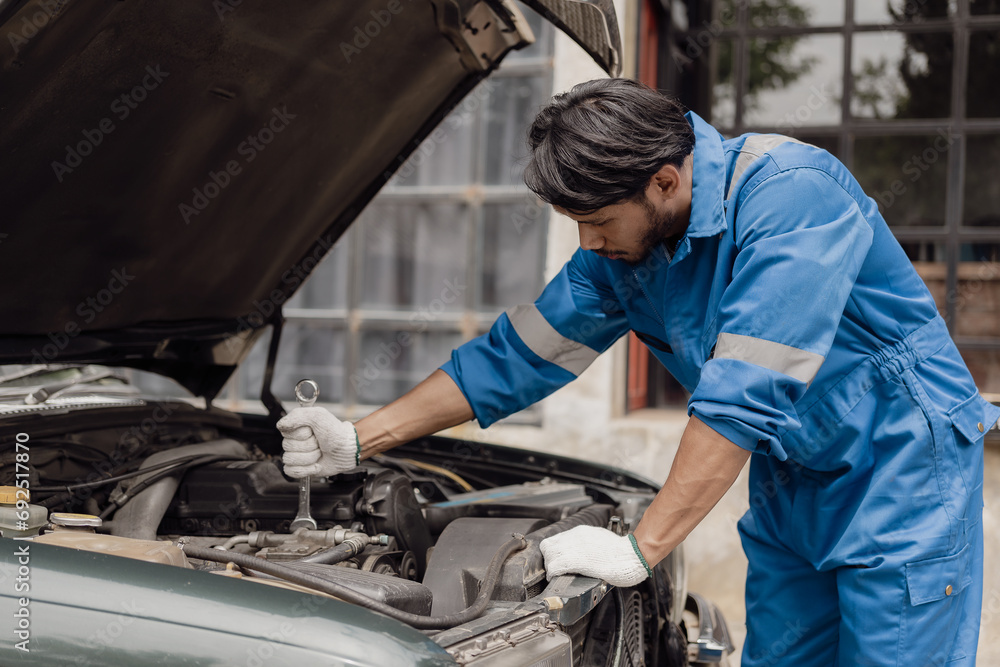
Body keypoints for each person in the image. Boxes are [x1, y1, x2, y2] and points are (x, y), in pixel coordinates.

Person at [277, 78, 999, 666]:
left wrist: (640, 546)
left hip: (903, 473)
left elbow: (745, 395)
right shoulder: (622, 253)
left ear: (663, 180)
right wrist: (356, 437)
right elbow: (514, 358)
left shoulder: (792, 197)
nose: (587, 244)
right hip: (794, 479)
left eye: (597, 224)